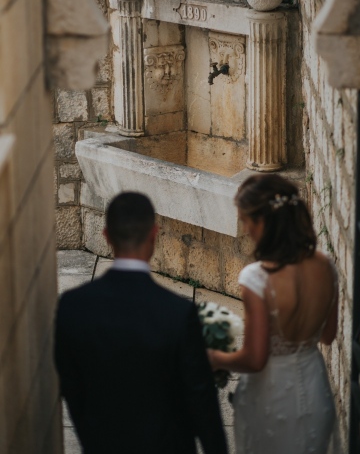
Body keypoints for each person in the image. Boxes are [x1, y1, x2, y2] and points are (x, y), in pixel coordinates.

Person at [55, 192, 228, 454]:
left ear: (107, 237)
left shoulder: (73, 306)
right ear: (154, 235)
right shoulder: (178, 313)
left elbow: (71, 386)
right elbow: (201, 400)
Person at [207, 174, 339, 454]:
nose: (245, 229)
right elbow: (328, 336)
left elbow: (255, 359)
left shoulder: (257, 278)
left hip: (272, 398)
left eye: (246, 221)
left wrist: (215, 358)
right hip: (315, 389)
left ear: (263, 222)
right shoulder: (326, 265)